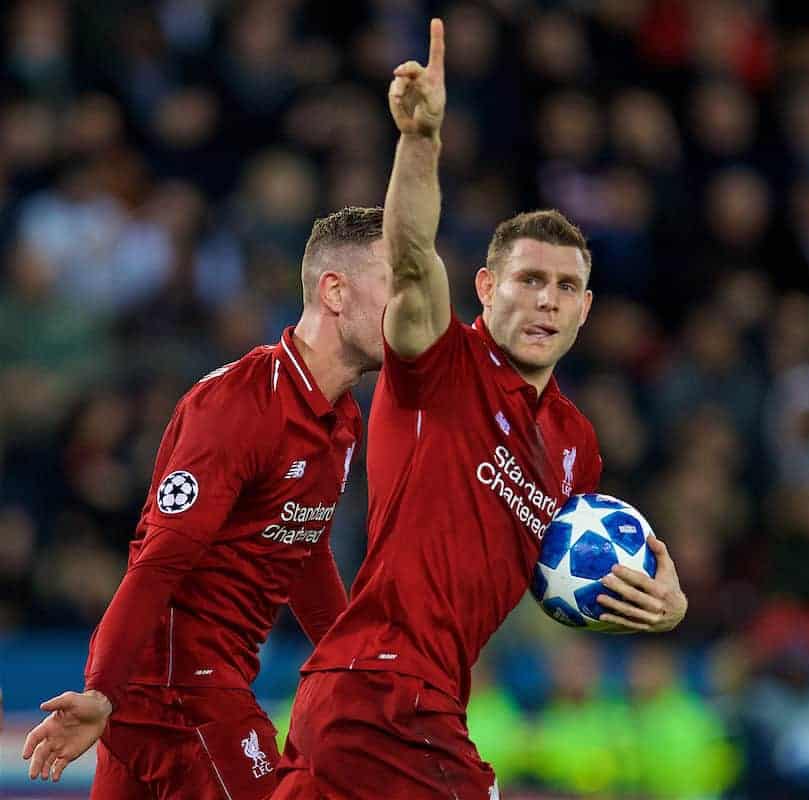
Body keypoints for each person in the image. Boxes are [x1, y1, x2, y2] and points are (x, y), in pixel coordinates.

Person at [272, 19, 688, 799]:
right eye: (528, 279)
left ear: (586, 310)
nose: (546, 301)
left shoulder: (575, 446)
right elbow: (409, 255)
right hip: (385, 693)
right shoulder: (440, 363)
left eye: (566, 287)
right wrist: (420, 142)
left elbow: (543, 582)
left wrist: (654, 608)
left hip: (400, 698)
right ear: (488, 288)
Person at [21, 206, 393, 799]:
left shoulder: (342, 421)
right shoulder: (238, 405)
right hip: (178, 688)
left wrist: (355, 671)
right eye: (397, 280)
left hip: (183, 685)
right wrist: (102, 690)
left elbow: (305, 552)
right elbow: (160, 560)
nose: (413, 304)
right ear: (335, 291)